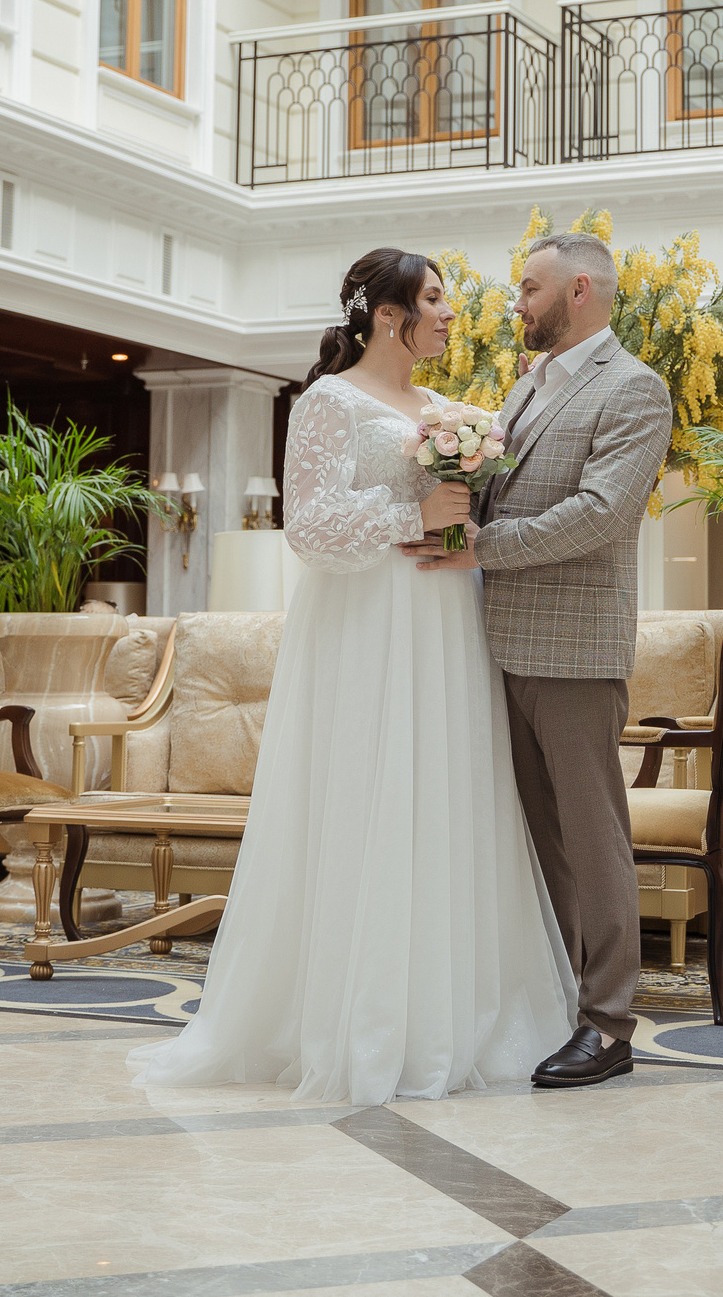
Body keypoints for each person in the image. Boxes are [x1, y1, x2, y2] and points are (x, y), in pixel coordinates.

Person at [127, 248, 576, 1106]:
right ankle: (354, 1019)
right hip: (366, 632)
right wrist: (418, 511)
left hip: (445, 623)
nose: (451, 314)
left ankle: (455, 1014)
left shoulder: (450, 409)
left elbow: (461, 522)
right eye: (436, 300)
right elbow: (312, 527)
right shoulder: (326, 403)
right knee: (368, 797)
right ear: (388, 313)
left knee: (446, 797)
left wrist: (457, 522)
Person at [407, 231, 672, 1089]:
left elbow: (600, 513)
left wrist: (484, 546)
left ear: (581, 290)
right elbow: (499, 490)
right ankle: (557, 1003)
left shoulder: (634, 389)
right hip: (500, 648)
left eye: (529, 287)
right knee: (537, 843)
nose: (515, 302)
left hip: (574, 651)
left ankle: (609, 1024)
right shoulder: (526, 387)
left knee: (594, 841)